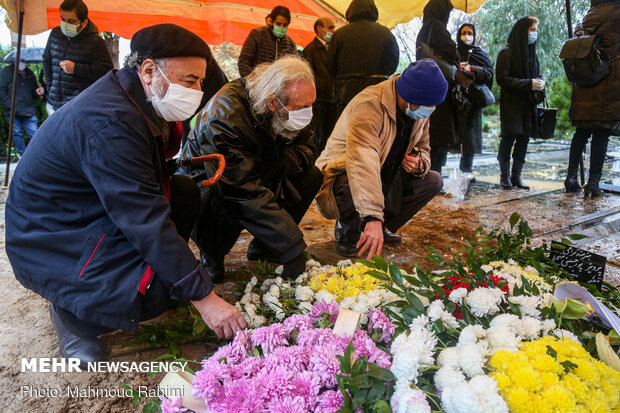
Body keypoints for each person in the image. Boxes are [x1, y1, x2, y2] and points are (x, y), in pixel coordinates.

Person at [6, 24, 246, 367]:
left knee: (184, 192)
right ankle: (73, 317)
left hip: (84, 214)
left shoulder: (136, 97)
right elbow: (144, 219)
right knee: (154, 297)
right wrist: (205, 298)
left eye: (200, 83)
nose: (196, 91)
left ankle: (144, 280)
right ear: (149, 71)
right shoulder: (110, 122)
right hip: (50, 238)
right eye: (190, 81)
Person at [180, 57, 323, 282]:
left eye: (310, 105)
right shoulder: (225, 118)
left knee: (311, 176)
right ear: (273, 103)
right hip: (213, 183)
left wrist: (291, 159)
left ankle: (266, 248)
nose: (307, 113)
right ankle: (212, 253)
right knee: (226, 198)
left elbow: (309, 145)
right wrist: (292, 246)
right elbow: (241, 190)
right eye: (300, 108)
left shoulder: (295, 100)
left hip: (259, 168)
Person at [315, 59, 446, 258]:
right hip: (346, 174)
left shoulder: (420, 110)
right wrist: (372, 216)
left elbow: (424, 147)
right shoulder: (369, 105)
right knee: (351, 182)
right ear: (409, 95)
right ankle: (348, 230)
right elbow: (362, 161)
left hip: (388, 171)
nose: (431, 109)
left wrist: (420, 164)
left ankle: (381, 228)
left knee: (433, 180)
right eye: (428, 104)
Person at [564, 0, 619, 198]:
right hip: (607, 80)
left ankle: (571, 178)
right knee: (602, 131)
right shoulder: (617, 11)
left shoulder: (590, 13)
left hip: (585, 80)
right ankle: (593, 184)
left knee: (582, 131)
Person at [496, 16, 545, 190]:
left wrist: (539, 83)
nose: (534, 34)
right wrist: (529, 84)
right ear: (522, 31)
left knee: (524, 139)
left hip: (527, 105)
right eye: (532, 30)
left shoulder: (533, 55)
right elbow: (502, 79)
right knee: (508, 138)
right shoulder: (506, 53)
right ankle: (504, 176)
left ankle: (516, 176)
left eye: (536, 30)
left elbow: (536, 75)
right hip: (511, 105)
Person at [327, 0, 399, 117]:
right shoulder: (385, 33)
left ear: (350, 11)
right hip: (376, 91)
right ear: (373, 11)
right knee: (372, 128)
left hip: (346, 93)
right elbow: (392, 64)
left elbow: (330, 64)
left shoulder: (339, 34)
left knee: (346, 129)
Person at [42, 0, 113, 114]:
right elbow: (46, 60)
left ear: (84, 22)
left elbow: (106, 71)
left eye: (71, 21)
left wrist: (76, 68)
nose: (65, 24)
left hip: (80, 107)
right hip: (54, 104)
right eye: (63, 19)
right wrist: (50, 87)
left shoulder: (96, 42)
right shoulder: (55, 34)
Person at [415, 0, 460, 176]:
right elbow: (452, 51)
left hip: (427, 85)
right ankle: (434, 173)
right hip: (440, 86)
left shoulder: (424, 28)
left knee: (430, 132)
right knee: (440, 134)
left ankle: (429, 171)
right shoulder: (437, 27)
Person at [456, 23, 494, 179]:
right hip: (455, 100)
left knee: (470, 138)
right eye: (464, 32)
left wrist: (474, 69)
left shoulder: (479, 53)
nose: (467, 35)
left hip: (472, 101)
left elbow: (489, 73)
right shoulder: (453, 52)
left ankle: (466, 171)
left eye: (470, 32)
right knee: (452, 136)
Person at [302, 17, 337, 154]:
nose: (333, 31)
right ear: (319, 29)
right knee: (316, 135)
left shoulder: (334, 49)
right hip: (318, 101)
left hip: (333, 100)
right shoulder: (309, 50)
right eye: (330, 27)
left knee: (330, 136)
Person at [237, 6, 297, 77]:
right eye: (278, 24)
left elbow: (292, 69)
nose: (281, 27)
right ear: (271, 22)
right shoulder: (257, 34)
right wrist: (250, 81)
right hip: (255, 83)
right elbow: (244, 61)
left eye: (284, 25)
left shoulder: (290, 43)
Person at [0, 60, 44, 156]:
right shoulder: (5, 72)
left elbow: (34, 91)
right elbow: (1, 92)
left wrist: (38, 92)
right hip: (12, 111)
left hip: (28, 110)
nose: (22, 62)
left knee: (35, 134)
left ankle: (38, 155)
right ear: (14, 60)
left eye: (23, 60)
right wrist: (11, 105)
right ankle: (23, 156)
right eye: (20, 60)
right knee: (17, 134)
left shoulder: (29, 73)